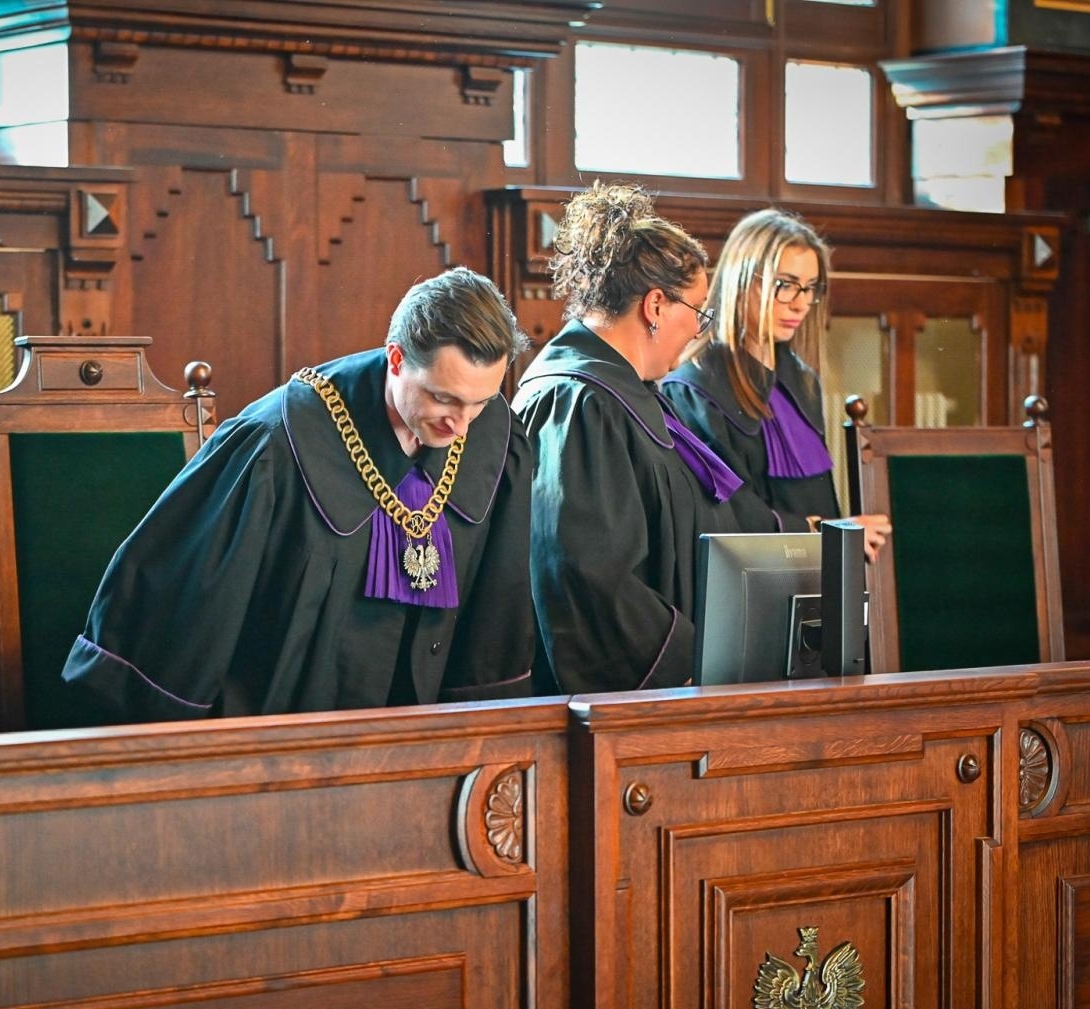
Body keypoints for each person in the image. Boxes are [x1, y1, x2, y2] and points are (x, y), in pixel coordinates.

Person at [64, 267, 535, 721]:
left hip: (423, 737)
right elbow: (188, 600)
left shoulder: (493, 435)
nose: (461, 424)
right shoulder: (277, 440)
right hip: (285, 742)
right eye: (443, 398)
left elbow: (498, 610)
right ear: (396, 359)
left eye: (479, 402)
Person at [513, 184, 756, 693]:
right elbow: (585, 573)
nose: (698, 329)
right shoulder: (577, 401)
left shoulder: (627, 393)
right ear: (656, 306)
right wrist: (683, 666)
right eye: (699, 311)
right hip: (646, 695)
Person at [661, 208, 891, 559]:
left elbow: (818, 498)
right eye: (784, 285)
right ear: (742, 279)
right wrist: (823, 533)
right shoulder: (693, 388)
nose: (800, 304)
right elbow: (725, 512)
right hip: (752, 580)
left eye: (809, 288)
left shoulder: (801, 378)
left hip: (817, 569)